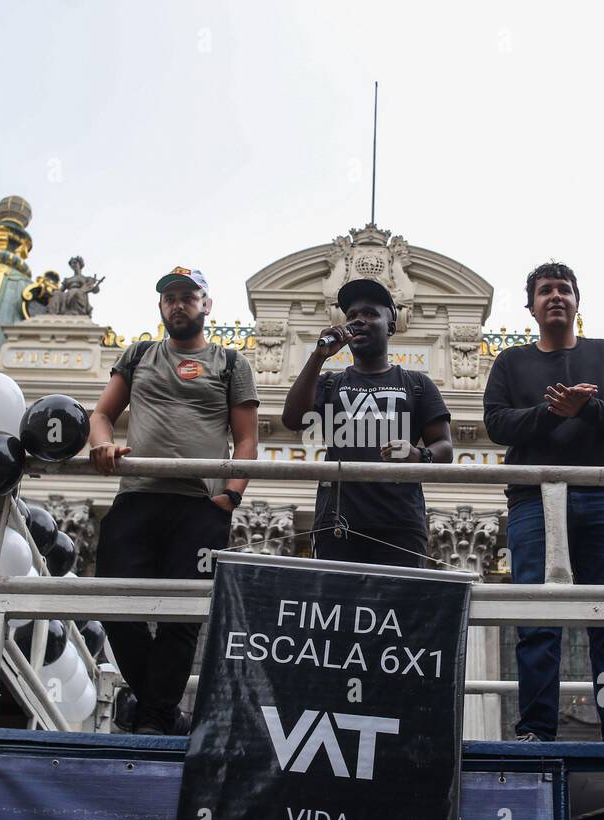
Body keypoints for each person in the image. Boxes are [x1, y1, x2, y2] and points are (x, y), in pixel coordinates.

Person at [89, 267, 259, 735]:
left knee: (183, 618)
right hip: (138, 498)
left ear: (206, 305)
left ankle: (149, 718)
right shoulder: (139, 355)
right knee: (113, 605)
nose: (178, 304)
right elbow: (102, 414)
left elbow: (246, 441)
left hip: (199, 507)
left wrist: (230, 497)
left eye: (188, 296)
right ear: (161, 307)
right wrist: (102, 443)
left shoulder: (230, 363)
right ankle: (161, 712)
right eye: (170, 298)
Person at [483, 261, 604, 743]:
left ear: (577, 302)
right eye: (545, 291)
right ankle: (536, 729)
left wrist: (587, 407)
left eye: (564, 290)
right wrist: (553, 413)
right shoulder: (510, 363)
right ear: (530, 306)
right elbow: (497, 425)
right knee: (537, 617)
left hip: (603, 499)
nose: (556, 296)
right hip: (534, 502)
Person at [281, 277, 452, 568]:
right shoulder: (330, 383)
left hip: (400, 525)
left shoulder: (417, 384)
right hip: (337, 524)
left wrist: (417, 455)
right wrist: (318, 356)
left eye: (370, 314)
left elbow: (445, 448)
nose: (359, 321)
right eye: (352, 316)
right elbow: (293, 419)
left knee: (398, 609)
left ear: (391, 326)